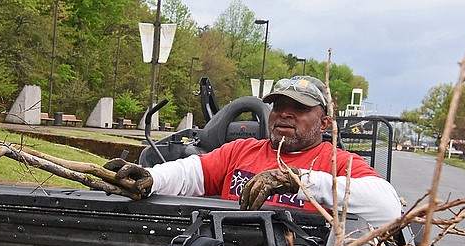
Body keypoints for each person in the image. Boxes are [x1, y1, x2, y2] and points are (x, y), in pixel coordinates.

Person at [105, 75, 402, 228]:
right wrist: (151, 178)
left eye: (299, 108)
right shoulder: (241, 151)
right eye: (279, 107)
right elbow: (190, 173)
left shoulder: (336, 162)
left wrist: (298, 180)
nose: (285, 114)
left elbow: (387, 208)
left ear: (325, 122)